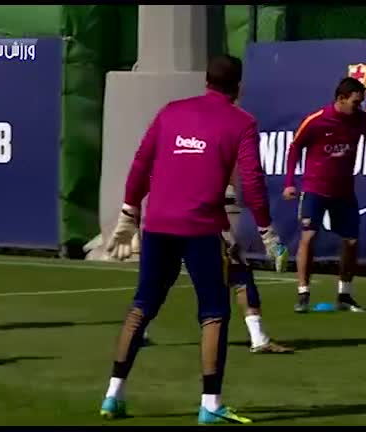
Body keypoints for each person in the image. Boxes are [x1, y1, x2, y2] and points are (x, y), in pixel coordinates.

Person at [99, 55, 287, 425]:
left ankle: (112, 395)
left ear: (206, 81)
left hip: (158, 224)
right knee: (214, 312)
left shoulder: (171, 111)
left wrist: (128, 211)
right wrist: (268, 231)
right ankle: (210, 404)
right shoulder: (242, 122)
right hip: (201, 229)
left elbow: (141, 162)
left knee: (142, 305)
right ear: (239, 87)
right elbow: (252, 182)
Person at [283, 77, 366, 314]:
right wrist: (289, 183)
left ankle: (344, 295)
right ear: (341, 99)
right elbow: (295, 147)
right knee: (309, 236)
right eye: (356, 102)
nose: (359, 106)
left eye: (361, 102)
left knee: (351, 241)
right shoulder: (316, 121)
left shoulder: (361, 119)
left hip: (344, 192)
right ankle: (303, 293)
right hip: (315, 189)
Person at [142, 178, 293, 355]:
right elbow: (243, 182)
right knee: (239, 274)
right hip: (206, 216)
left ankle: (139, 329)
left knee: (162, 278)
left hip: (172, 216)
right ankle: (257, 337)